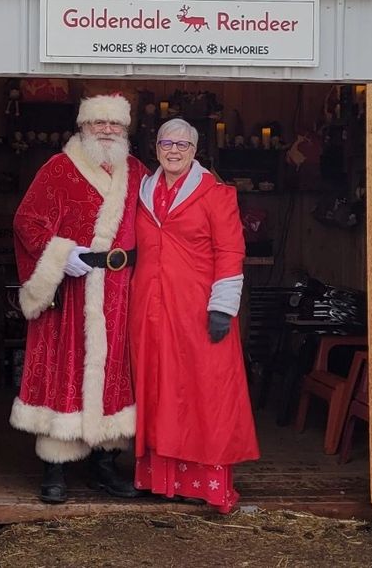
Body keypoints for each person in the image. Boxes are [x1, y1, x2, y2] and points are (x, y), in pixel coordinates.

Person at [11, 93, 148, 504]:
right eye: (98, 123)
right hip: (72, 289)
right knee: (63, 369)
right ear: (82, 127)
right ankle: (55, 467)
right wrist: (61, 254)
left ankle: (105, 464)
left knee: (114, 371)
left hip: (121, 289)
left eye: (115, 125)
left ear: (125, 130)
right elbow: (26, 220)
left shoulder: (138, 172)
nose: (107, 131)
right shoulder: (58, 169)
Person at [129, 117, 258, 513]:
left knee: (204, 393)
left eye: (182, 145)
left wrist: (223, 306)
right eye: (166, 143)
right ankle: (161, 481)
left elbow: (231, 251)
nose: (173, 150)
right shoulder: (142, 190)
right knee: (157, 390)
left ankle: (204, 485)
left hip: (199, 310)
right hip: (149, 311)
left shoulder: (216, 194)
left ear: (194, 151)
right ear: (155, 148)